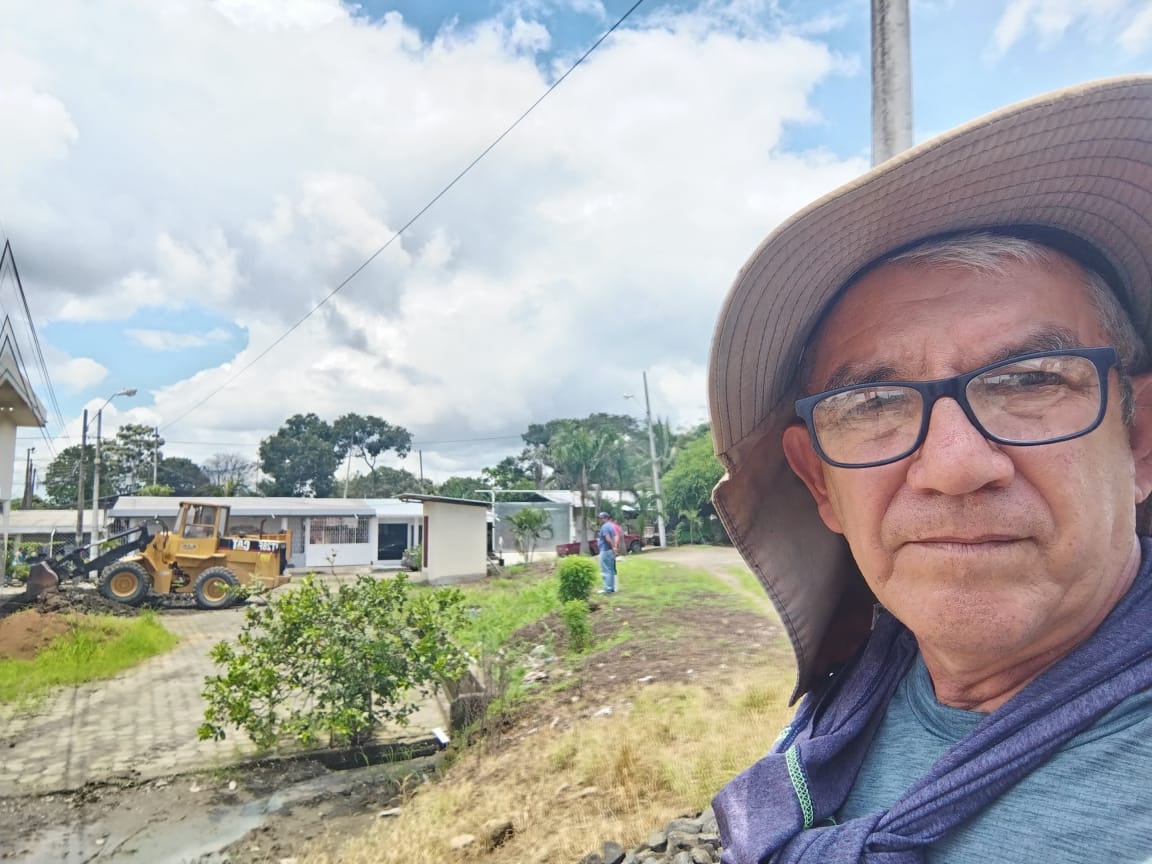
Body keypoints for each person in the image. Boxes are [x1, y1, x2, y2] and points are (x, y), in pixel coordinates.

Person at [706, 76, 1152, 863]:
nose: (953, 466)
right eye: (873, 401)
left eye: (1028, 380)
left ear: (1140, 439)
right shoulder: (855, 693)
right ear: (820, 484)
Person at [596, 511, 620, 594]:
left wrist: (613, 546)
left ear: (605, 518)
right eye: (599, 518)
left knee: (605, 570)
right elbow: (615, 536)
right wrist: (615, 547)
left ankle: (607, 589)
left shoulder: (605, 526)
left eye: (601, 518)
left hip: (605, 550)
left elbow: (607, 538)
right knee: (611, 570)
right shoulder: (610, 526)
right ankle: (611, 588)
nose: (600, 519)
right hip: (610, 551)